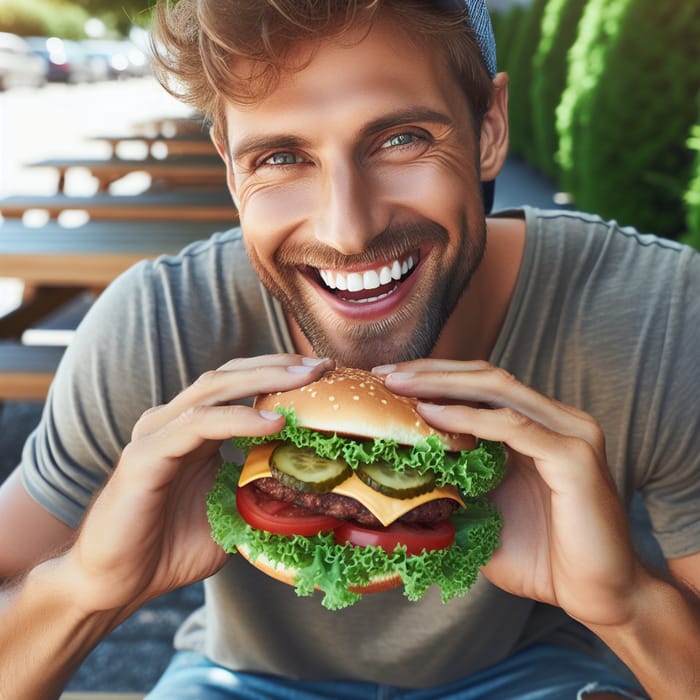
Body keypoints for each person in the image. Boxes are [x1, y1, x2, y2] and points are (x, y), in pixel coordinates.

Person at [1, 0, 699, 697]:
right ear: (232, 169)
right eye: (280, 156)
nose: (348, 230)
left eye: (400, 139)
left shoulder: (655, 313)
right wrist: (84, 589)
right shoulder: (159, 326)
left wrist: (630, 607)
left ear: (489, 127)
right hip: (240, 676)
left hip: (536, 669)